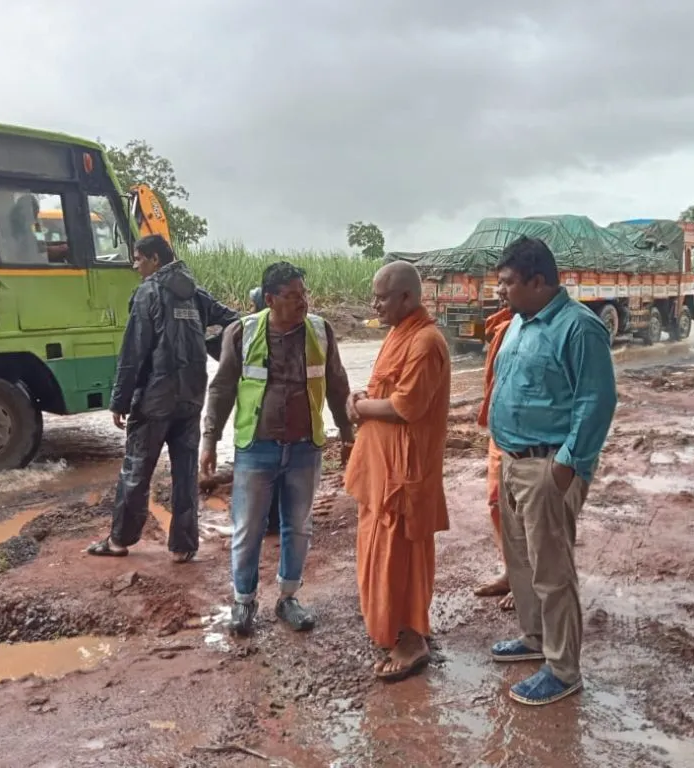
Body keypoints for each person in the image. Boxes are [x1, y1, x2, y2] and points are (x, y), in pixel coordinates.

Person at [488, 235, 617, 707]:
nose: (499, 291)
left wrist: (567, 464)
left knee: (552, 568)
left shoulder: (578, 328)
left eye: (507, 283)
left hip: (548, 465)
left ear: (538, 282)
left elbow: (596, 400)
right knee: (520, 560)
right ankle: (535, 637)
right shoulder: (520, 324)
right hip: (514, 460)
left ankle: (563, 669)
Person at [202, 261, 354, 636]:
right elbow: (221, 389)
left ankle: (288, 598)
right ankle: (243, 601)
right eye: (292, 296)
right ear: (270, 299)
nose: (302, 302)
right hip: (256, 447)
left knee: (298, 527)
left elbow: (337, 384)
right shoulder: (243, 331)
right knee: (248, 528)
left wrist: (348, 434)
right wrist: (209, 439)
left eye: (304, 294)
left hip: (305, 448)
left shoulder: (321, 330)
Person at [87, 234, 237, 563]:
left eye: (138, 258)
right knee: (184, 472)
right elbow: (236, 323)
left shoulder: (148, 293)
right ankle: (184, 546)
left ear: (155, 259)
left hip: (155, 401)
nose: (134, 264)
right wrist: (207, 349)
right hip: (191, 399)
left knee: (136, 469)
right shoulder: (196, 294)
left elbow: (133, 353)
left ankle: (118, 541)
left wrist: (119, 401)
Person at [344, 260, 451, 682]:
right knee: (380, 555)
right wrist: (365, 398)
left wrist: (358, 408)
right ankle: (398, 629)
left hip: (403, 477)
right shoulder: (398, 334)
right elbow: (385, 389)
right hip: (380, 471)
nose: (375, 304)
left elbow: (406, 407)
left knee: (398, 560)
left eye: (382, 297)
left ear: (407, 297)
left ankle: (410, 642)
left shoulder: (425, 342)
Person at [472, 285, 516, 611]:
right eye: (499, 282)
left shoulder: (544, 328)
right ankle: (512, 572)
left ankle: (531, 583)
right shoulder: (504, 325)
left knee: (526, 513)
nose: (499, 290)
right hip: (500, 433)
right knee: (497, 502)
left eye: (507, 282)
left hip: (527, 437)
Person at [249, 285, 281, 536]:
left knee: (268, 477)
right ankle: (274, 520)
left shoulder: (257, 336)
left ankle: (271, 522)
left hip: (264, 420)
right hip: (261, 419)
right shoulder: (253, 333)